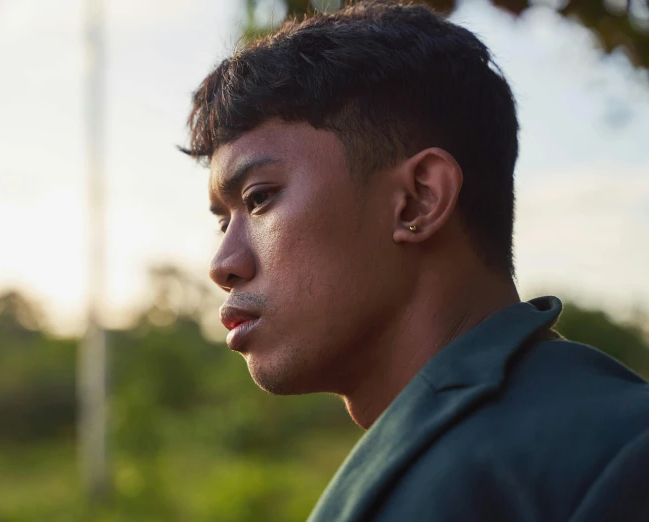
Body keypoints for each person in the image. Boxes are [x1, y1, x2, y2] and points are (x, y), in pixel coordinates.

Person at [180, 1, 649, 520]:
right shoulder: (438, 447)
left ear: (419, 200)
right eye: (223, 220)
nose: (223, 263)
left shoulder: (616, 457)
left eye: (260, 198)